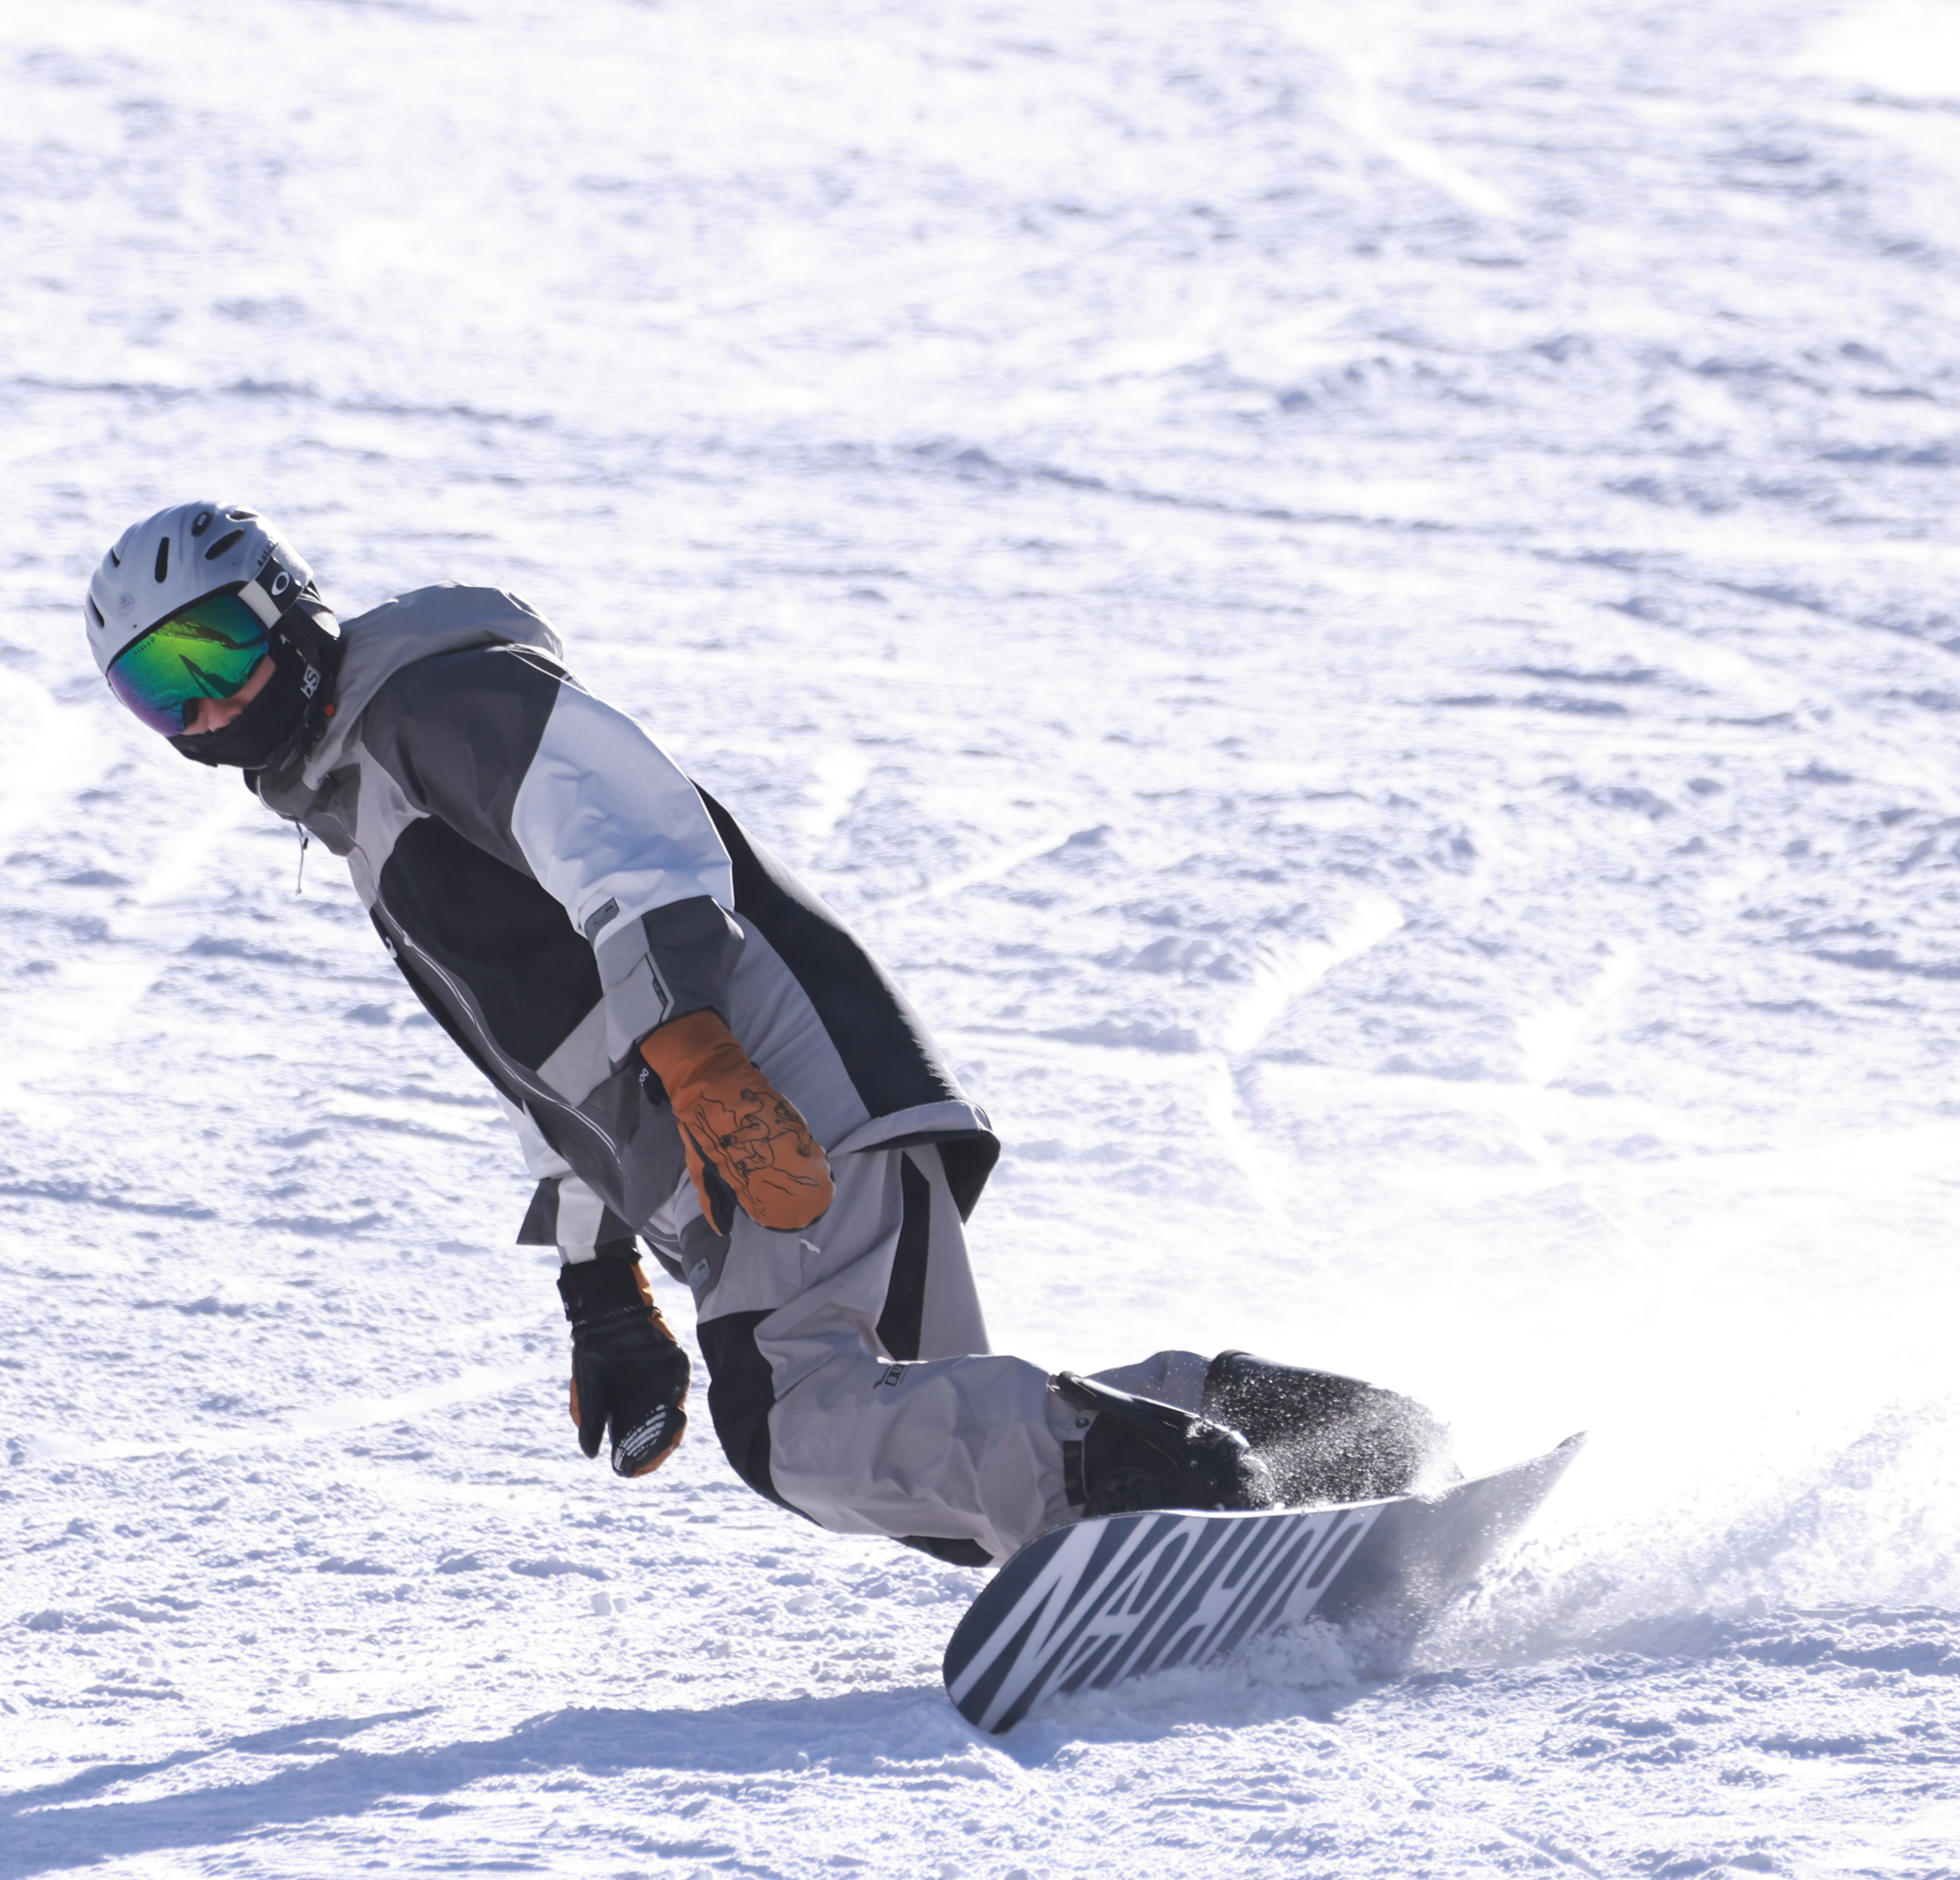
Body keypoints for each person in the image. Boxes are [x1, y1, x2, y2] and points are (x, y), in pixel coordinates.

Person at [84, 501, 1449, 1567]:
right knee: (927, 1441)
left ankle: (1193, 1482)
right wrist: (598, 1284)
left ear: (289, 610)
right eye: (159, 686)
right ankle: (1316, 1440)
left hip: (768, 1083)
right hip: (734, 1122)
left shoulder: (438, 705)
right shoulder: (365, 801)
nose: (203, 702)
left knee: (802, 1426)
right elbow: (548, 1073)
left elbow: (643, 844)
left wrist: (697, 1052)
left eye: (217, 647)